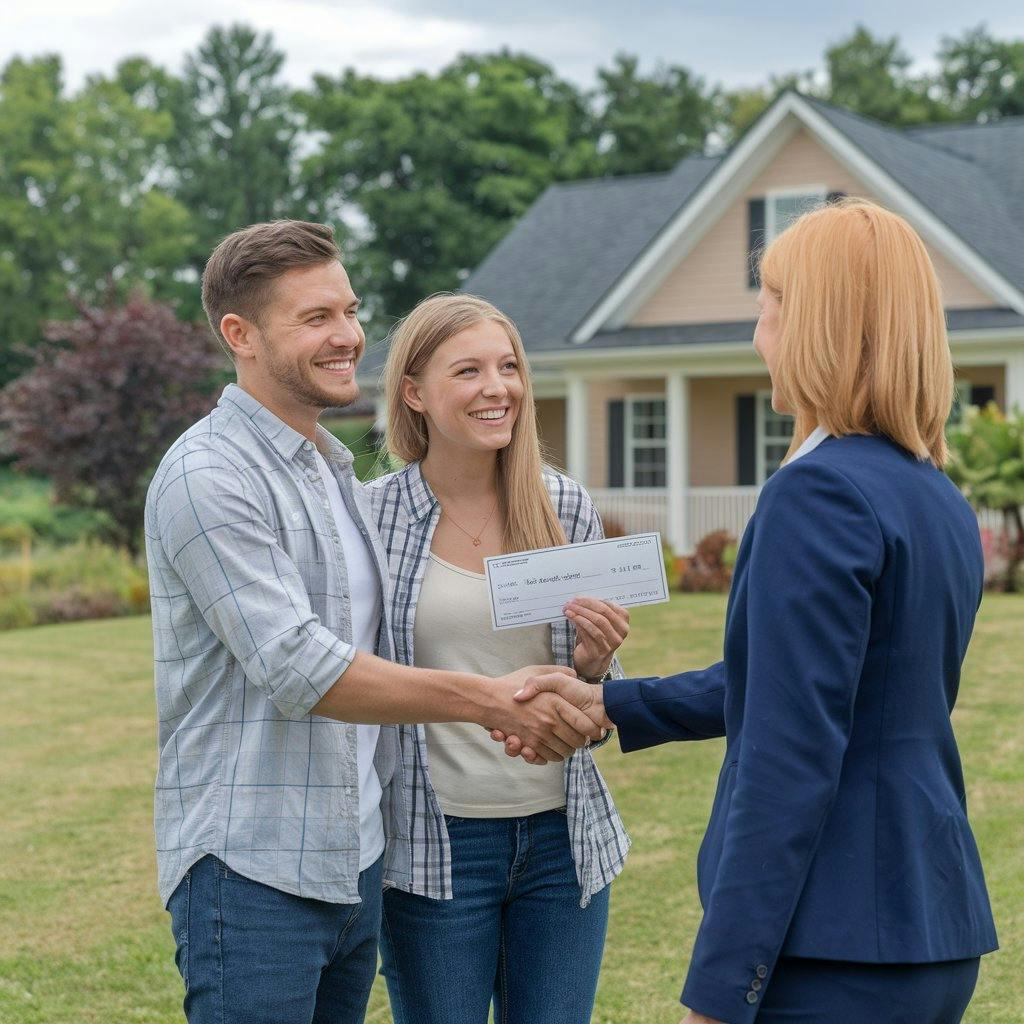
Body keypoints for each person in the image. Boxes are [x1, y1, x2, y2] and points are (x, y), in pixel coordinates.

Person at [509, 199, 998, 1024]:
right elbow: (816, 682)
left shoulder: (817, 491)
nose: (758, 336)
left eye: (768, 308)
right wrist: (611, 702)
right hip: (926, 924)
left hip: (830, 946)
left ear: (813, 325)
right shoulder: (933, 493)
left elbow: (791, 754)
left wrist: (721, 989)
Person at [144, 221, 603, 1024]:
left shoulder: (329, 470)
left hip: (353, 860)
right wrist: (489, 699)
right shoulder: (208, 475)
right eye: (316, 318)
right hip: (252, 869)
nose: (348, 335)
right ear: (239, 335)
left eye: (350, 311)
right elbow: (299, 665)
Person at [366, 293, 632, 1024]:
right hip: (433, 844)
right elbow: (355, 685)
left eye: (509, 366)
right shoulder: (371, 519)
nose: (498, 387)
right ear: (415, 393)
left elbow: (595, 704)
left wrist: (593, 665)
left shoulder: (562, 506)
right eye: (470, 370)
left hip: (562, 840)